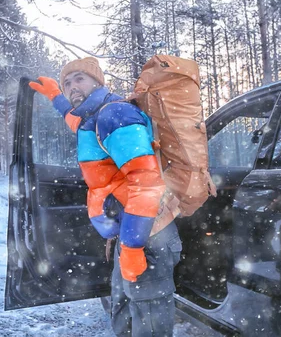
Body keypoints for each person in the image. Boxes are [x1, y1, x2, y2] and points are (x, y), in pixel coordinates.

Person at [29, 57, 182, 337]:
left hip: (147, 235)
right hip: (129, 235)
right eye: (67, 83)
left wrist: (134, 248)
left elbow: (146, 183)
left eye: (79, 79)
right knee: (123, 313)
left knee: (148, 321)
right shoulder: (92, 118)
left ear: (98, 82)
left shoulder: (115, 116)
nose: (72, 86)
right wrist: (54, 96)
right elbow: (74, 120)